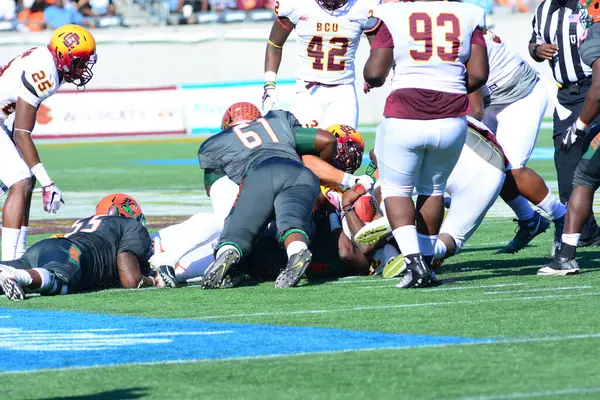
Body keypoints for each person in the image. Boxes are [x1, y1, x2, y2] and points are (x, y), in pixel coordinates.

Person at [362, 0, 489, 288]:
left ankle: (414, 263)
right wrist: (447, 83)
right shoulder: (470, 13)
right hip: (452, 119)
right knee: (433, 189)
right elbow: (480, 74)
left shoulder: (390, 13)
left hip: (405, 116)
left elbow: (374, 74)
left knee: (396, 190)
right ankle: (428, 262)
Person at [197, 102, 344, 289]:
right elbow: (327, 140)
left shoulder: (217, 143)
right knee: (292, 220)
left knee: (239, 225)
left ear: (227, 124)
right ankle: (297, 251)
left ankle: (228, 251)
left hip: (261, 173)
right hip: (302, 174)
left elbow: (216, 190)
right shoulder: (278, 121)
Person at [355, 117, 507, 277]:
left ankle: (397, 222)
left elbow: (378, 152)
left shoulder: (407, 114)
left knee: (391, 187)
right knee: (453, 238)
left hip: (454, 152)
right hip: (492, 171)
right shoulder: (456, 107)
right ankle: (430, 249)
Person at [0, 24, 97, 262]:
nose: (83, 68)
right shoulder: (44, 73)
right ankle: (8, 264)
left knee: (25, 179)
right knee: (21, 181)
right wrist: (48, 183)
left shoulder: (47, 61)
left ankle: (18, 257)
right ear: (63, 57)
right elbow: (22, 133)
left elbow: (16, 131)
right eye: (79, 62)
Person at [469, 28, 567, 254]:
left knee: (512, 168)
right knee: (491, 168)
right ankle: (530, 220)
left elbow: (474, 111)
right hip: (488, 99)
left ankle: (562, 217)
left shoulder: (457, 37)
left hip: (519, 96)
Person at [0, 194, 163, 301]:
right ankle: (19, 276)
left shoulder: (86, 223)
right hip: (71, 254)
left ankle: (12, 273)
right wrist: (152, 280)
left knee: (9, 273)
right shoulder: (131, 226)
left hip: (46, 247)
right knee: (60, 283)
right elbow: (131, 280)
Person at [529, 0, 600, 247]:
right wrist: (537, 51)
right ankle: (587, 233)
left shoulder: (589, 5)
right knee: (566, 166)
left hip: (595, 89)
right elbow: (533, 41)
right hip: (566, 96)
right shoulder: (543, 9)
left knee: (593, 163)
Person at [262, 0, 380, 129]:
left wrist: (373, 73)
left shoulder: (362, 7)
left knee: (344, 147)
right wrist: (270, 85)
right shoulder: (297, 5)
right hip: (307, 92)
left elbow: (379, 48)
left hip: (343, 92)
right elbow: (275, 44)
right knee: (307, 147)